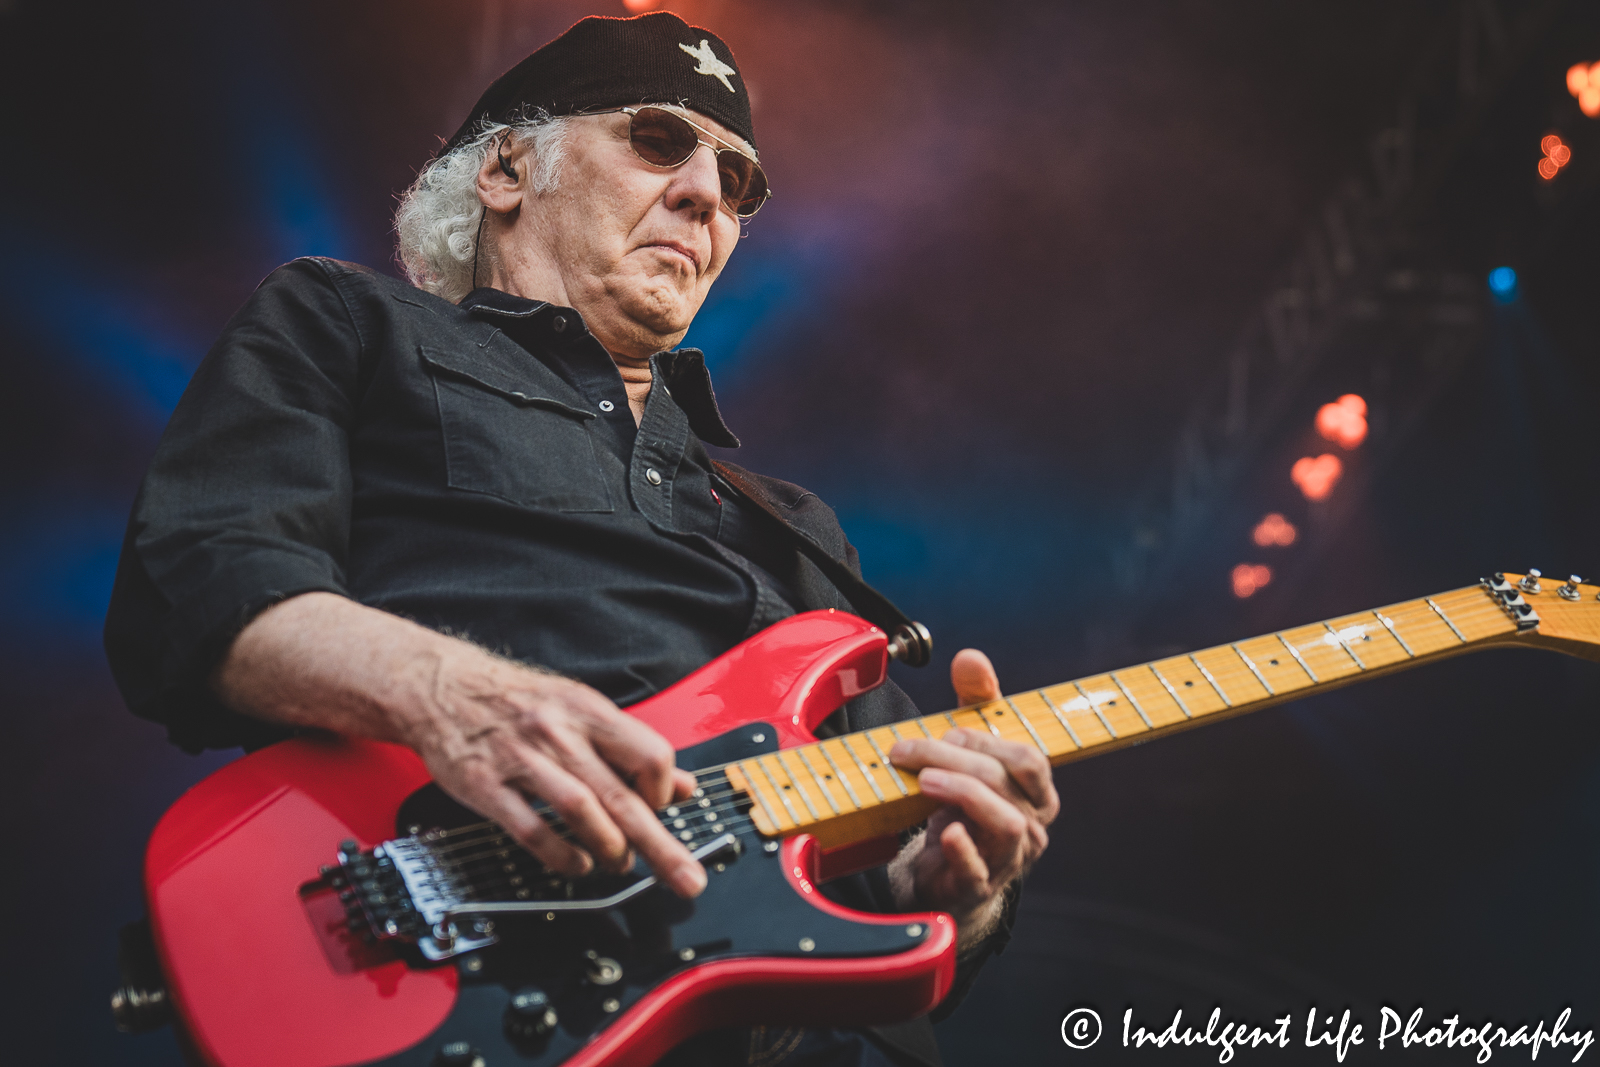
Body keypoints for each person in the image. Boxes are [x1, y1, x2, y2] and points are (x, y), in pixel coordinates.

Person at [104, 12, 1058, 1066]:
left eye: (738, 182)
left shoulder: (792, 526)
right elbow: (194, 577)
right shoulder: (346, 323)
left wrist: (954, 886)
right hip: (451, 975)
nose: (707, 194)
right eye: (659, 139)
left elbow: (895, 905)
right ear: (508, 169)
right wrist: (449, 695)